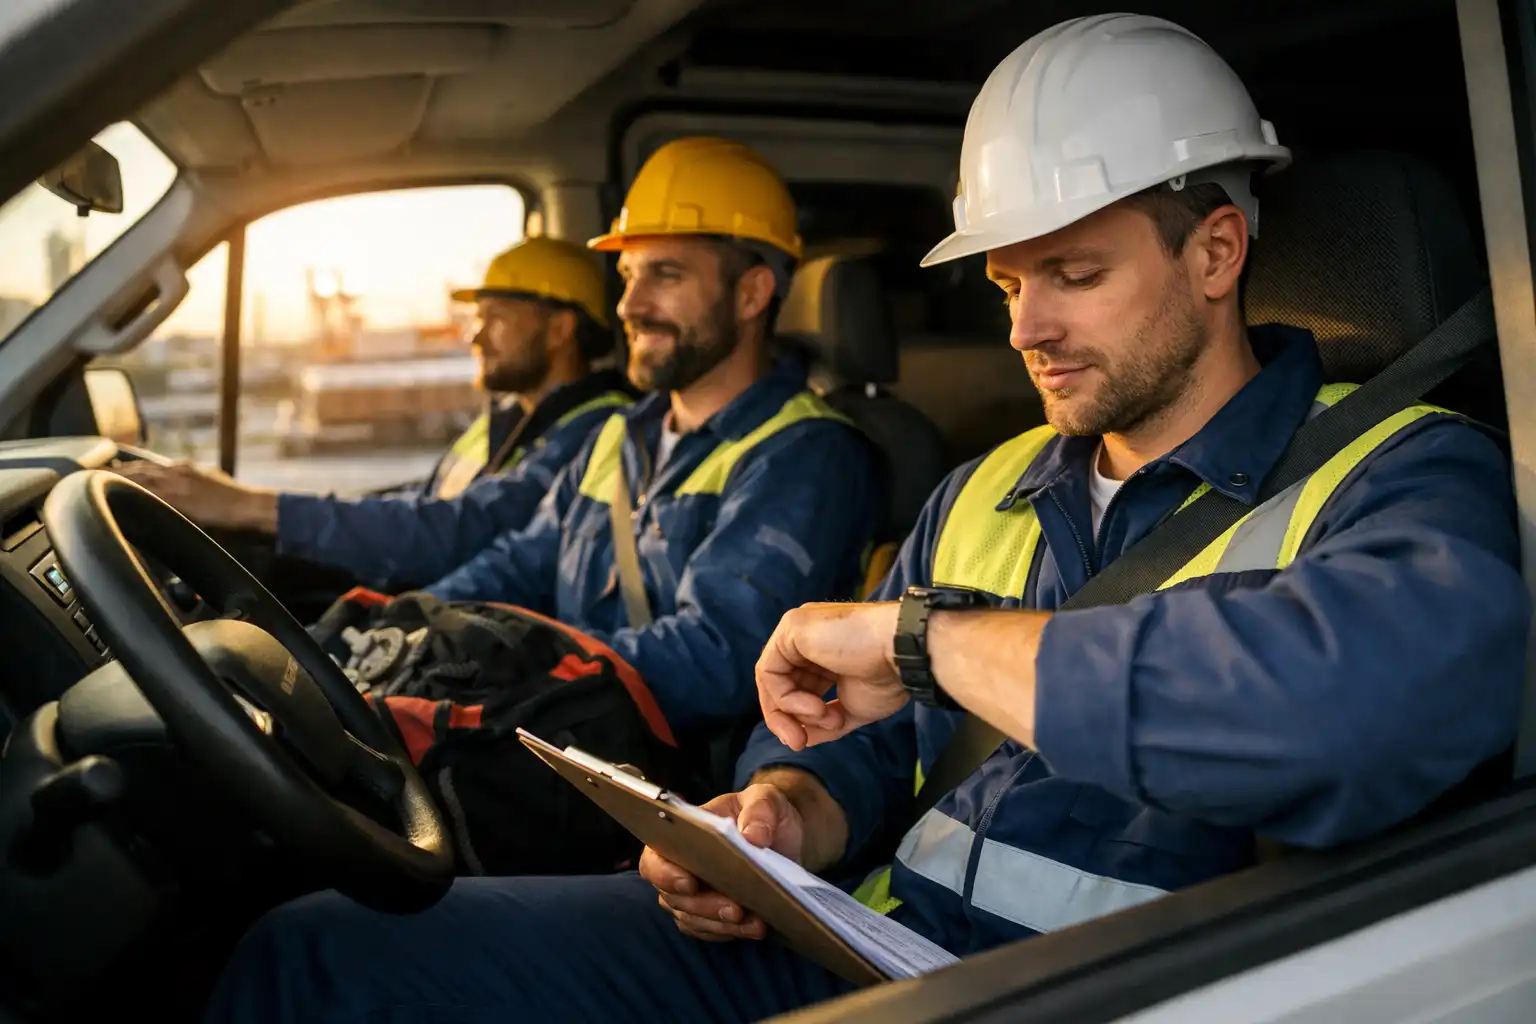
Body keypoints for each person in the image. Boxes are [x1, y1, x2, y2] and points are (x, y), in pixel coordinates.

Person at [202, 15, 1528, 1023]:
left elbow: (1347, 712)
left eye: (1075, 274)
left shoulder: (1410, 479)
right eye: (1008, 281)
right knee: (313, 951)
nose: (1028, 330)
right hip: (850, 940)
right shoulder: (991, 485)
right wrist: (785, 820)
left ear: (1218, 253)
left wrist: (927, 641)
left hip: (1088, 988)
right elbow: (884, 763)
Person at [377, 135, 886, 732]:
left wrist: (518, 672)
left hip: (675, 787)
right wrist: (412, 623)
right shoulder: (620, 433)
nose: (629, 305)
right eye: (627, 276)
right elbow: (523, 563)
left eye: (665, 275)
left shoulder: (806, 455)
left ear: (750, 294)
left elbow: (717, 658)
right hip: (568, 738)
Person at [118, 236, 637, 592]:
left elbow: (458, 531)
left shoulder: (596, 428)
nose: (476, 336)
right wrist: (278, 522)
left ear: (562, 329)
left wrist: (254, 507)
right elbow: (418, 502)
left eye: (495, 319)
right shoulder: (506, 421)